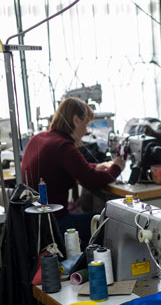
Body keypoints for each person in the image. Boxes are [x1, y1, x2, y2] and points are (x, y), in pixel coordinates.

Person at [21, 98, 125, 244]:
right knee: (112, 222)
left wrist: (96, 167)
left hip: (35, 222)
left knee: (89, 209)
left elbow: (75, 166)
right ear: (76, 120)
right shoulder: (62, 146)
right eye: (86, 124)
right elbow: (92, 180)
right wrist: (117, 167)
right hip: (56, 223)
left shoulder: (39, 138)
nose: (86, 130)